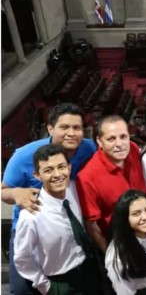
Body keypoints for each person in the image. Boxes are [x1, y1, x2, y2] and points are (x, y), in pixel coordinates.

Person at [1, 103, 96, 295]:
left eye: (77, 128)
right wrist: (16, 193)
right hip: (32, 225)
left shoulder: (88, 148)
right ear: (50, 128)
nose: (71, 133)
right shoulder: (24, 156)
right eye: (64, 127)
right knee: (22, 290)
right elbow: (3, 190)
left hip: (68, 220)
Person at [14, 144, 102, 295]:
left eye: (61, 167)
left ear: (69, 167)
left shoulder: (75, 189)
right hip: (61, 281)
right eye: (48, 170)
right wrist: (47, 287)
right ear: (37, 175)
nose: (57, 174)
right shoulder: (31, 215)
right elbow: (23, 258)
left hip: (90, 270)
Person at [76, 114, 146, 253]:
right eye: (111, 139)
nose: (119, 144)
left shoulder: (132, 149)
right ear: (99, 141)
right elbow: (92, 225)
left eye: (123, 136)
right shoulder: (86, 177)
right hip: (120, 243)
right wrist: (110, 257)